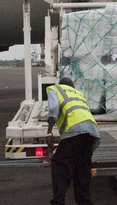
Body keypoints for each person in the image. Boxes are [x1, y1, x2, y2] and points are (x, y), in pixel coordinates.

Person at [46, 77, 100, 205]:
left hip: (74, 131)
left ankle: (58, 202)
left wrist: (49, 132)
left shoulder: (56, 89)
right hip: (91, 133)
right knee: (82, 171)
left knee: (60, 165)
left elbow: (53, 109)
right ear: (72, 87)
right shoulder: (79, 94)